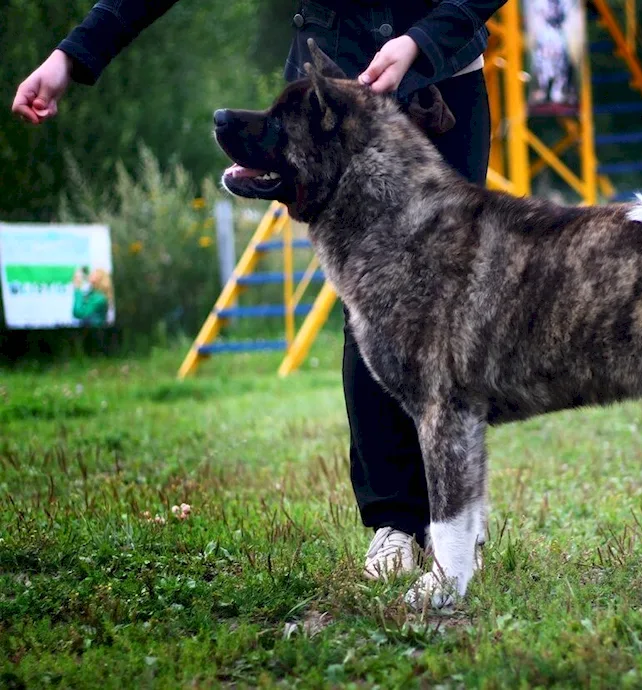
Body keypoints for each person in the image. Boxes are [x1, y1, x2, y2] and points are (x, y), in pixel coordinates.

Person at [13, 0, 506, 578]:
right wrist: (71, 55)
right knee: (371, 311)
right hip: (330, 106)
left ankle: (455, 519)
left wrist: (419, 41)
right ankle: (394, 524)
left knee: (444, 319)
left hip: (442, 88)